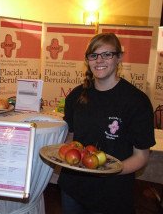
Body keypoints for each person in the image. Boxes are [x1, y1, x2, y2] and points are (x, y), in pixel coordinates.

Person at [58, 33, 155, 214]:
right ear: (87, 60)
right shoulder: (76, 96)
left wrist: (108, 170)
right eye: (93, 55)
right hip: (73, 189)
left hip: (112, 193)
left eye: (107, 54)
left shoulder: (136, 101)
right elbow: (71, 139)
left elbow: (141, 156)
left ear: (119, 58)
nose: (99, 60)